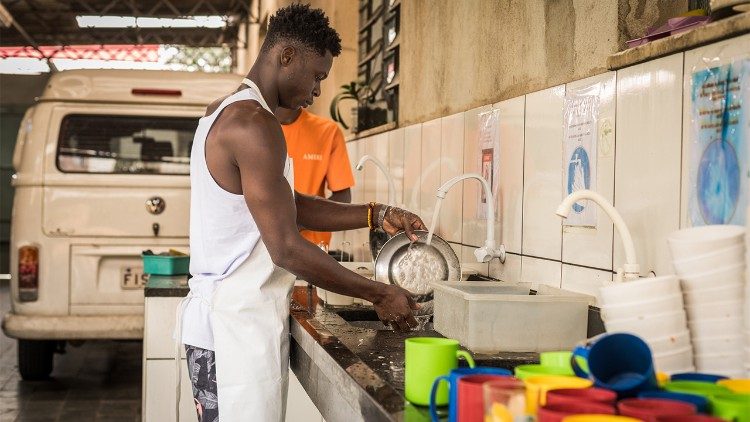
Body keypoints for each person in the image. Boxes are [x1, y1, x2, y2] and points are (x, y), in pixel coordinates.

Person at [178, 4, 425, 421]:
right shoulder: (253, 124)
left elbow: (288, 204)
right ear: (286, 56)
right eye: (317, 77)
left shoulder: (229, 111)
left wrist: (374, 213)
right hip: (232, 329)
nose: (317, 91)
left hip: (236, 323)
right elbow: (287, 249)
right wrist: (380, 294)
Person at [275, 106, 354, 250]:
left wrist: (305, 219)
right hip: (262, 247)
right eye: (315, 81)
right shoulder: (253, 128)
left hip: (313, 250)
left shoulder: (328, 131)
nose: (317, 90)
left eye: (319, 81)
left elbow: (343, 196)